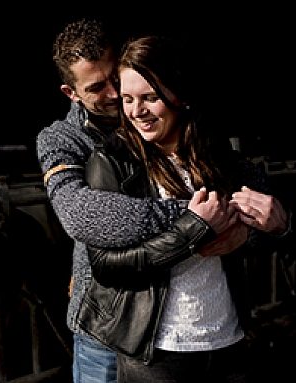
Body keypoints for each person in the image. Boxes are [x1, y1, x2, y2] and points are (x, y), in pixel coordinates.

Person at [77, 34, 294, 382]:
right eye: (129, 99)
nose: (137, 112)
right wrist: (194, 228)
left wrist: (278, 226)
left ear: (183, 95)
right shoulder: (112, 161)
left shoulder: (219, 157)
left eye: (151, 98)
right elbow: (106, 267)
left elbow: (272, 233)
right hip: (158, 353)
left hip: (228, 342)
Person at [36, 19, 193, 382]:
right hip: (105, 324)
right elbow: (80, 215)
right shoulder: (60, 139)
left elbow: (235, 174)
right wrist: (193, 217)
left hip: (179, 318)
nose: (113, 93)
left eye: (114, 78)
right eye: (96, 87)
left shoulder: (158, 113)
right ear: (70, 93)